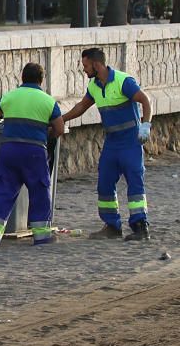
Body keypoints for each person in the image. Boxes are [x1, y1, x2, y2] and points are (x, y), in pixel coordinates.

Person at [61, 48, 154, 241]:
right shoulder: (95, 86)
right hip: (112, 142)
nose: (84, 70)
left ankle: (140, 226)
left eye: (86, 66)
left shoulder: (123, 81)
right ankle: (112, 226)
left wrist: (145, 125)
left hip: (130, 141)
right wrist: (61, 120)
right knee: (104, 182)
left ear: (96, 65)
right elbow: (81, 106)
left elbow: (145, 100)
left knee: (134, 182)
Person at [0, 63, 65, 248]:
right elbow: (59, 128)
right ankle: (42, 237)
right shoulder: (48, 101)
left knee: (3, 190)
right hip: (35, 152)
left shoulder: (10, 96)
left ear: (22, 77)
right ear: (41, 80)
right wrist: (46, 135)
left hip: (9, 150)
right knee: (39, 191)